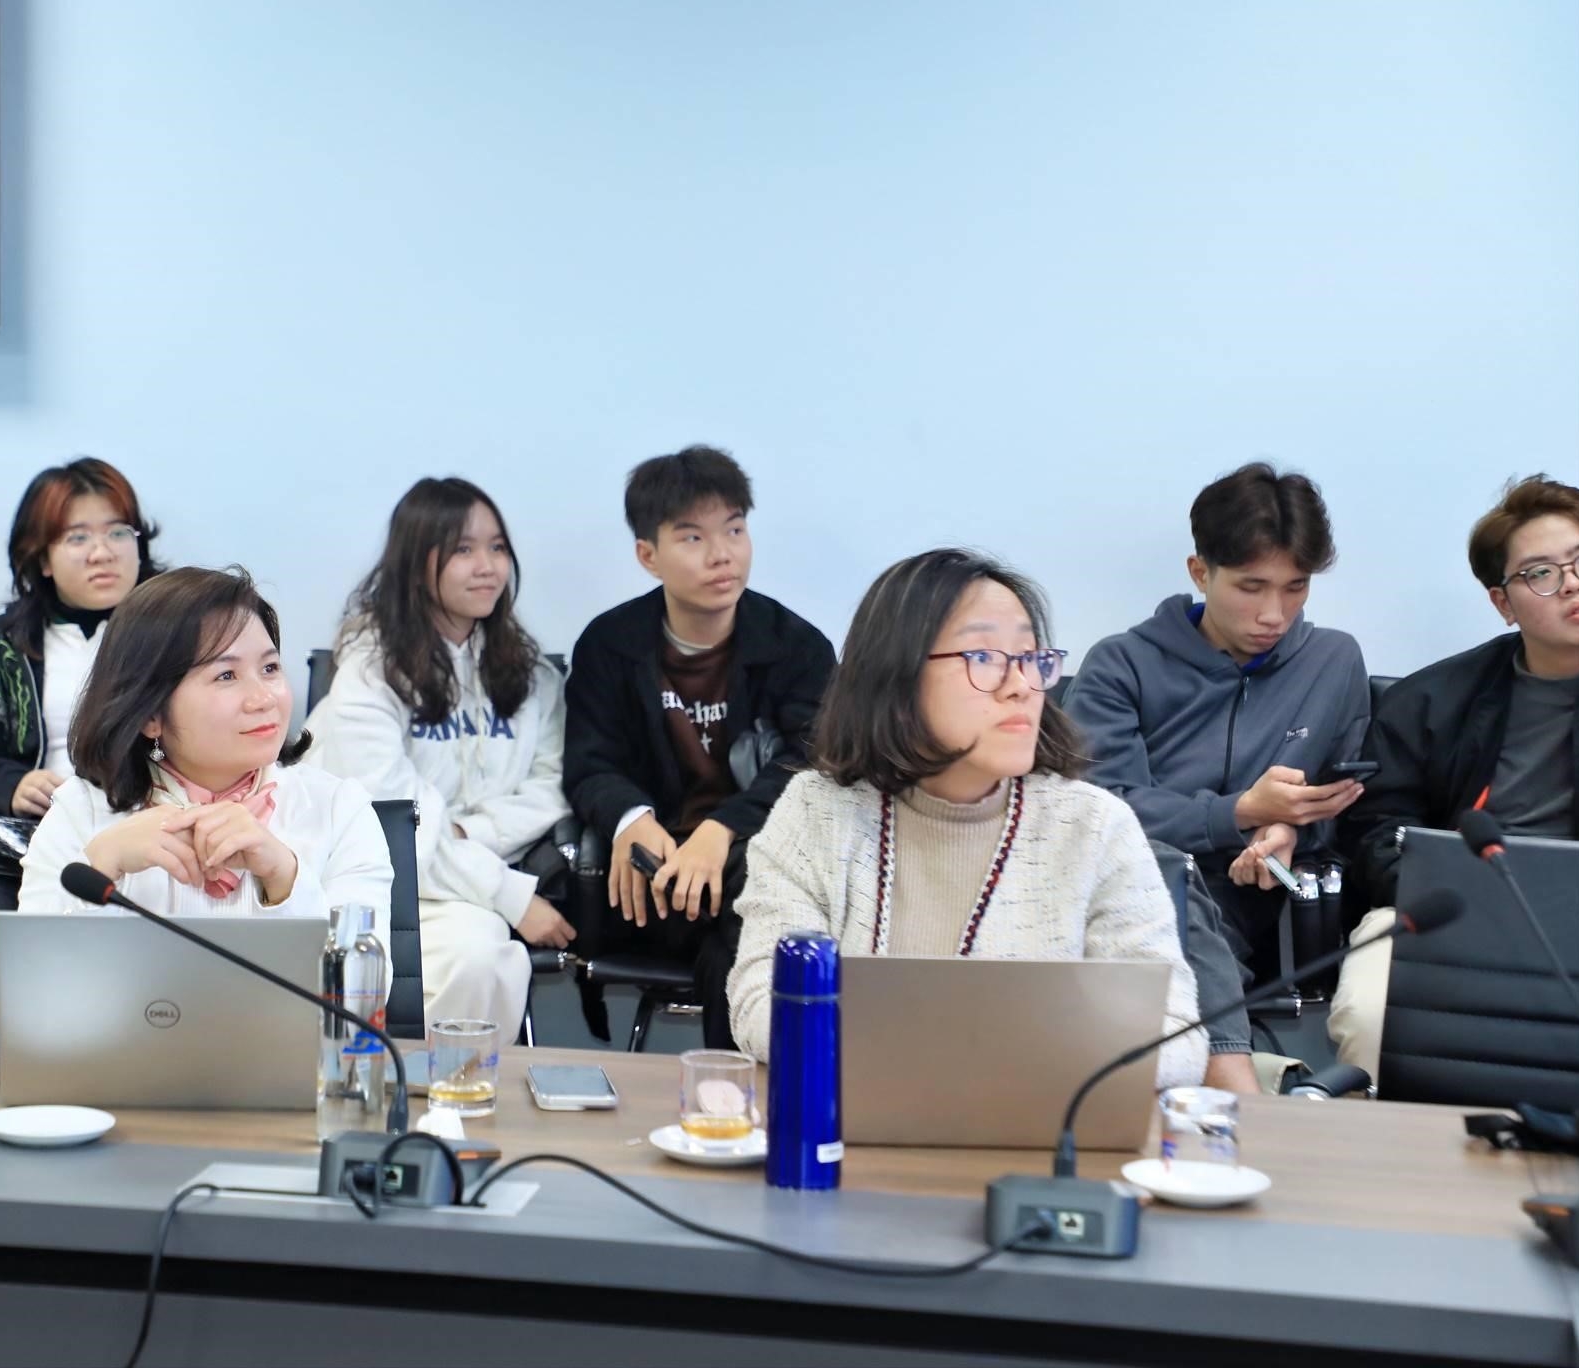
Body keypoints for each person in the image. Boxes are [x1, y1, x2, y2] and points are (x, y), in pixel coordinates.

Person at [728, 549, 1206, 1089]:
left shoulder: (1095, 827)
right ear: (898, 676)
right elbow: (760, 1006)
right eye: (984, 657)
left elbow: (1177, 1037)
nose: (1022, 685)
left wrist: (986, 1059)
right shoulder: (816, 812)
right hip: (851, 1130)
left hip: (1037, 1134)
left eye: (1031, 657)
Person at [1066, 463, 1369, 1088]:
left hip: (1242, 902)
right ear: (1200, 572)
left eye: (1295, 588)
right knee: (1161, 871)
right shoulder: (1121, 665)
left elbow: (1342, 805)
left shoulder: (1333, 662)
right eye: (1251, 587)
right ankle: (1240, 1086)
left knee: (1178, 893)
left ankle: (1233, 1083)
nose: (1274, 614)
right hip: (1123, 889)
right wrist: (1240, 813)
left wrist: (1289, 832)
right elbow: (1099, 812)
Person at [563, 445, 835, 1048]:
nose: (722, 554)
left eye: (735, 529)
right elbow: (588, 763)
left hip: (759, 870)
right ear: (648, 556)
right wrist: (630, 818)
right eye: (693, 537)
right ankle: (744, 1089)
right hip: (653, 882)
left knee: (746, 917)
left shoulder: (796, 646)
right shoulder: (610, 644)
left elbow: (813, 763)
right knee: (744, 922)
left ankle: (731, 1084)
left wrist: (722, 830)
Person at [1331, 475, 1579, 1074]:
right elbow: (1376, 829)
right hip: (1456, 911)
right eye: (1541, 573)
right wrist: (1434, 886)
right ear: (1503, 604)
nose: (1573, 583)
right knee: (1370, 1016)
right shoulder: (1432, 701)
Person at [305, 478, 572, 1037]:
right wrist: (507, 893)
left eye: (497, 547)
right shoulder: (368, 672)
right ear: (415, 563)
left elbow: (551, 786)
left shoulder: (532, 676)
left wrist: (470, 834)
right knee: (470, 953)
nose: (487, 567)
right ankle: (389, 1084)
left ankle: (448, 1089)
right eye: (462, 549)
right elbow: (397, 822)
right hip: (367, 879)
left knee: (482, 954)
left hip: (460, 887)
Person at [0, 458, 164, 1012]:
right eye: (78, 537)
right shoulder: (2, 646)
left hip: (158, 821)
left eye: (119, 532)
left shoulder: (182, 631)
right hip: (29, 834)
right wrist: (10, 784)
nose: (102, 552)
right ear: (41, 558)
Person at [18, 567, 393, 946]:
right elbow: (31, 979)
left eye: (270, 668)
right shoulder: (79, 813)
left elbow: (363, 982)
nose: (264, 699)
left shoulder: (339, 810)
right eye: (226, 675)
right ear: (150, 714)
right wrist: (101, 863)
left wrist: (285, 878)